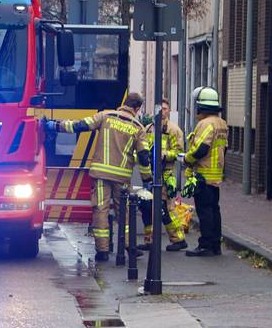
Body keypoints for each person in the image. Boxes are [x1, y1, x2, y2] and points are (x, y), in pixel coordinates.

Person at [44, 92, 150, 263]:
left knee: (100, 209)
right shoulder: (138, 127)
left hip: (100, 174)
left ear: (124, 103)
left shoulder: (106, 116)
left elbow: (78, 126)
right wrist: (147, 179)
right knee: (124, 211)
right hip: (122, 177)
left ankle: (102, 251)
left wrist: (54, 126)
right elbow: (144, 156)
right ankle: (129, 247)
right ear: (137, 108)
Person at [184, 86, 228, 257]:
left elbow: (202, 148)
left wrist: (187, 159)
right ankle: (216, 244)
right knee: (214, 210)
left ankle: (206, 245)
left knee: (204, 211)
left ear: (201, 108)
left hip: (203, 173)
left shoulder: (205, 124)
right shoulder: (222, 123)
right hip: (216, 174)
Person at [141, 99, 188, 251]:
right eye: (160, 109)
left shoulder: (174, 130)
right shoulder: (148, 128)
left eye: (165, 109)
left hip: (165, 174)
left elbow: (179, 153)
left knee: (165, 208)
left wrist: (165, 154)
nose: (162, 112)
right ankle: (149, 241)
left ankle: (178, 239)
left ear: (169, 111)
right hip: (149, 173)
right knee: (147, 206)